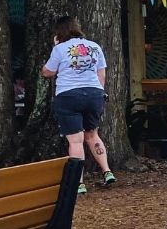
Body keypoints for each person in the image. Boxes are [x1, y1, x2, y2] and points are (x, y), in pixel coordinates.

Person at [41, 16, 115, 194]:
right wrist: (99, 93)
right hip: (94, 94)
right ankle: (107, 171)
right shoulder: (95, 46)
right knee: (93, 135)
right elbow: (102, 75)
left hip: (69, 95)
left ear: (59, 32)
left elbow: (48, 72)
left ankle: (79, 182)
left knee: (75, 141)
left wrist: (54, 47)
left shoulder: (59, 49)